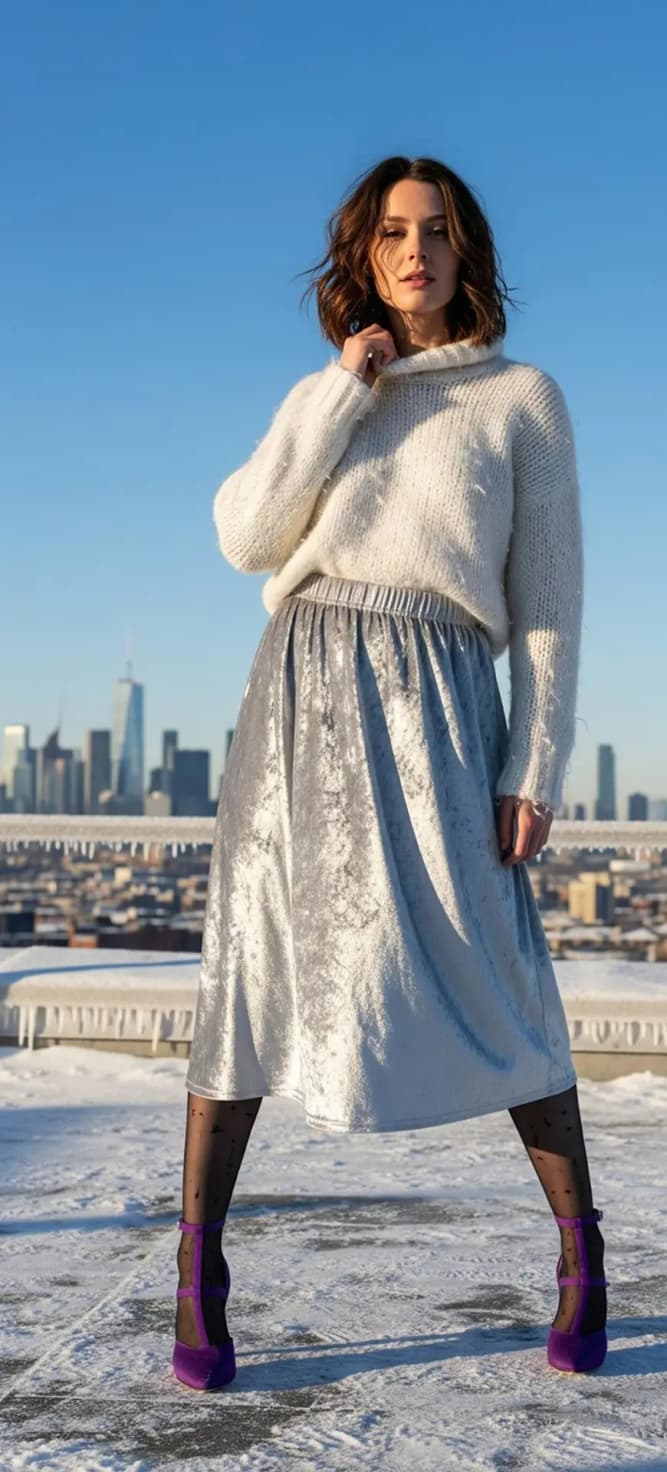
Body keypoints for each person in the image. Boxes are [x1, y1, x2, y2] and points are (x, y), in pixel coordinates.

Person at [172, 155, 607, 1392]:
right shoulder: (334, 390)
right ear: (364, 258)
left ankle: (581, 1253)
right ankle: (199, 1271)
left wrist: (538, 758)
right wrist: (339, 389)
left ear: (467, 251)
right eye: (391, 235)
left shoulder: (524, 399)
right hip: (301, 689)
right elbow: (247, 535)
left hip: (443, 703)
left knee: (501, 967)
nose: (414, 252)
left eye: (437, 232)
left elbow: (550, 606)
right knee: (250, 969)